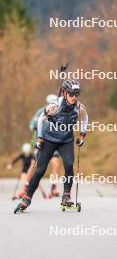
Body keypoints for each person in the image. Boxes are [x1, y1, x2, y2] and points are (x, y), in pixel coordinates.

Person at [16, 80, 88, 210]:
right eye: (71, 93)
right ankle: (27, 198)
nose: (74, 97)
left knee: (68, 165)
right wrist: (39, 137)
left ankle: (66, 196)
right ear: (65, 93)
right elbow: (40, 119)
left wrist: (82, 135)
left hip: (66, 140)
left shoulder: (79, 108)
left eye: (76, 93)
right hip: (49, 140)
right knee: (40, 170)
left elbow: (85, 118)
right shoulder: (54, 106)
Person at [26, 94, 60, 198]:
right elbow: (31, 125)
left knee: (56, 164)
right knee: (34, 165)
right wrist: (38, 125)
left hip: (54, 142)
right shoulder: (41, 111)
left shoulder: (59, 113)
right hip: (41, 142)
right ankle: (26, 186)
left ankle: (54, 188)